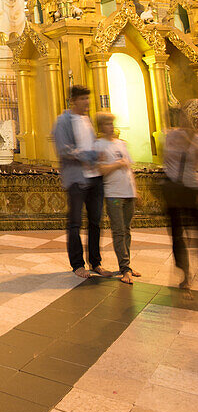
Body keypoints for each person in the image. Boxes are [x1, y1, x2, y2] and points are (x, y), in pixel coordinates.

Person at [52, 85, 109, 279]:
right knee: (75, 223)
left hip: (94, 177)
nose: (87, 102)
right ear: (74, 100)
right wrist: (92, 155)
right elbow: (64, 150)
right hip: (76, 179)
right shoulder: (63, 121)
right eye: (83, 98)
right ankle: (77, 264)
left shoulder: (88, 120)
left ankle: (96, 262)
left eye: (88, 98)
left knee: (95, 222)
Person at [94, 113, 141, 284]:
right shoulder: (99, 145)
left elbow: (129, 168)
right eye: (107, 124)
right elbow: (100, 170)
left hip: (128, 192)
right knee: (119, 231)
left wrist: (136, 190)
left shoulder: (121, 144)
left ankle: (126, 264)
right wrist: (117, 164)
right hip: (114, 194)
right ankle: (125, 269)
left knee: (126, 230)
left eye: (112, 123)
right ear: (100, 127)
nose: (111, 127)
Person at [162, 102, 198, 292]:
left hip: (191, 189)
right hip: (174, 191)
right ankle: (185, 273)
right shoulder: (171, 136)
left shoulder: (196, 139)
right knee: (177, 234)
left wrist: (191, 141)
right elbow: (167, 158)